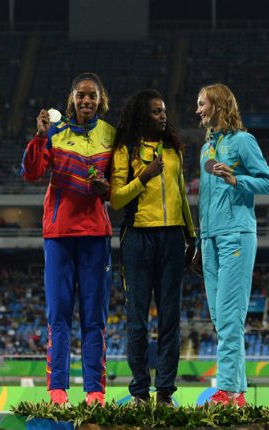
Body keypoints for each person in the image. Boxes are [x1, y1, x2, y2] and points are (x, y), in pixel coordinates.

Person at [19, 72, 114, 406]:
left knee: (94, 318)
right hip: (59, 234)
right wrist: (39, 137)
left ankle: (95, 393)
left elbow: (120, 187)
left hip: (95, 236)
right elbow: (31, 173)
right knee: (58, 315)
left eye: (92, 96)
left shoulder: (111, 136)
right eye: (80, 95)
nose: (86, 101)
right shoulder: (55, 133)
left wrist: (109, 189)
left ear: (100, 100)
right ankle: (57, 392)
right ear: (71, 99)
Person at [109, 89, 196, 406]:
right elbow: (116, 199)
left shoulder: (173, 149)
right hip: (138, 238)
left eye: (164, 112)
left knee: (170, 318)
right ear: (143, 115)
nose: (164, 117)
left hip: (172, 237)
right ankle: (140, 392)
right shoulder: (125, 150)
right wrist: (143, 176)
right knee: (137, 319)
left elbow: (182, 195)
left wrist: (192, 236)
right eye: (157, 112)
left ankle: (165, 393)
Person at [195, 83, 269, 406]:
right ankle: (237, 392)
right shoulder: (206, 149)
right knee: (219, 318)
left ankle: (227, 390)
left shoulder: (243, 141)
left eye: (202, 104)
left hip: (236, 235)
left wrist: (237, 180)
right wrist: (200, 236)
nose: (198, 110)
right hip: (210, 238)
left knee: (229, 317)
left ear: (217, 105)